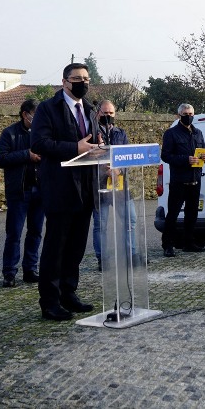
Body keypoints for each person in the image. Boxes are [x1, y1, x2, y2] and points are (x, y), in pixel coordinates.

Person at [31, 63, 100, 321]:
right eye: (77, 78)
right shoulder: (48, 109)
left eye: (86, 78)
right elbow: (39, 143)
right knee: (56, 247)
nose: (82, 82)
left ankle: (68, 292)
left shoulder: (90, 109)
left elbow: (90, 143)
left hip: (86, 188)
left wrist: (98, 147)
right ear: (64, 82)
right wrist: (76, 147)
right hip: (60, 188)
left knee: (76, 247)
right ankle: (49, 301)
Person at [0, 99, 44, 288]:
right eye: (35, 115)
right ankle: (9, 272)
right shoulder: (10, 133)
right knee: (14, 233)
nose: (37, 119)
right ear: (25, 114)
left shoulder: (42, 133)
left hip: (40, 190)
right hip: (19, 191)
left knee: (36, 232)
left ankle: (30, 269)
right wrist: (26, 155)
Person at [160, 103, 205, 257]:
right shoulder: (171, 133)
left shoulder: (198, 133)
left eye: (191, 114)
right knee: (173, 214)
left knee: (192, 213)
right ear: (179, 115)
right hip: (179, 180)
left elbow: (203, 153)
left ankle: (189, 242)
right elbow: (165, 156)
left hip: (195, 179)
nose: (189, 116)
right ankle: (168, 244)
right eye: (185, 114)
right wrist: (185, 160)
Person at [90, 99, 133, 270]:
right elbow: (87, 157)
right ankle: (103, 259)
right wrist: (103, 169)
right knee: (101, 225)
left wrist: (118, 170)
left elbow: (128, 155)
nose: (108, 116)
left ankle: (131, 254)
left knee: (130, 221)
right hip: (99, 187)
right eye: (105, 113)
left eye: (111, 113)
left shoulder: (120, 133)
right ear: (97, 114)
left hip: (120, 185)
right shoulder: (91, 133)